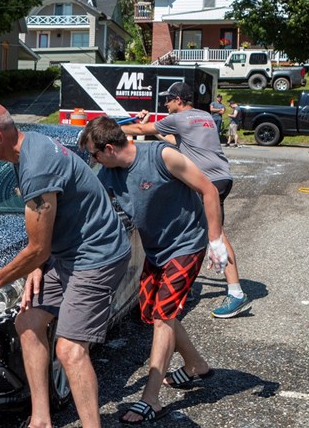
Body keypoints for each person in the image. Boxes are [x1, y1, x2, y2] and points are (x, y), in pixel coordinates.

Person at [0, 101, 131, 428]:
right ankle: (40, 420)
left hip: (96, 256)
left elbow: (38, 248)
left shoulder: (37, 167)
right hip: (66, 254)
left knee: (70, 350)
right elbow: (42, 237)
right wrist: (37, 264)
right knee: (28, 323)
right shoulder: (27, 146)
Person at [79, 117, 228, 423]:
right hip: (157, 250)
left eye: (93, 154)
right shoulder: (108, 174)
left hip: (187, 244)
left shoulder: (162, 156)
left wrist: (215, 241)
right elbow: (88, 206)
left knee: (162, 317)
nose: (93, 160)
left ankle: (151, 399)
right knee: (154, 312)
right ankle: (195, 365)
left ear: (109, 148)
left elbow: (209, 190)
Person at [121, 82, 250, 318]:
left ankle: (236, 293)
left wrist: (115, 128)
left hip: (207, 183)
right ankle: (185, 283)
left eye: (168, 100)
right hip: (222, 176)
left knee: (216, 236)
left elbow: (140, 129)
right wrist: (151, 129)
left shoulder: (178, 119)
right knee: (196, 232)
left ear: (178, 100)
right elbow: (178, 142)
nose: (165, 104)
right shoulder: (204, 116)